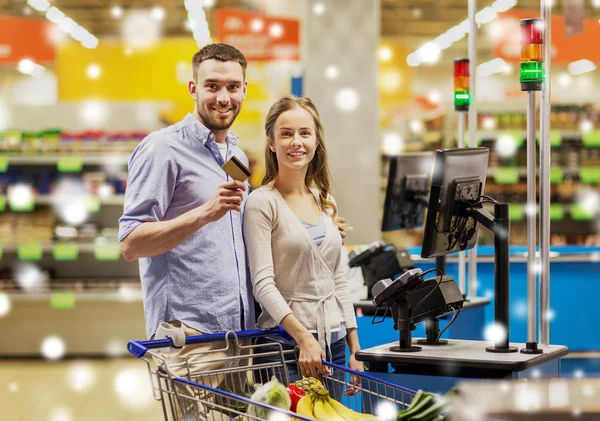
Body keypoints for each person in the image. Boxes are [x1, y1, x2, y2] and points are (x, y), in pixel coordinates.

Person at [118, 43, 253, 419]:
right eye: (212, 86)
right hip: (189, 333)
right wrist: (204, 213)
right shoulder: (162, 150)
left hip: (239, 334)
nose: (222, 97)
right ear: (193, 89)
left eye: (232, 87)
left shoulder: (236, 156)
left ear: (245, 89)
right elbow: (130, 243)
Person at [243, 96, 363, 391]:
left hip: (331, 341)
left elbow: (338, 279)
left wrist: (355, 349)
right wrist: (303, 338)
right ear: (271, 143)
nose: (296, 142)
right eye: (286, 133)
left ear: (316, 141)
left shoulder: (324, 200)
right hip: (283, 346)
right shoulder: (261, 203)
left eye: (304, 133)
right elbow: (263, 284)